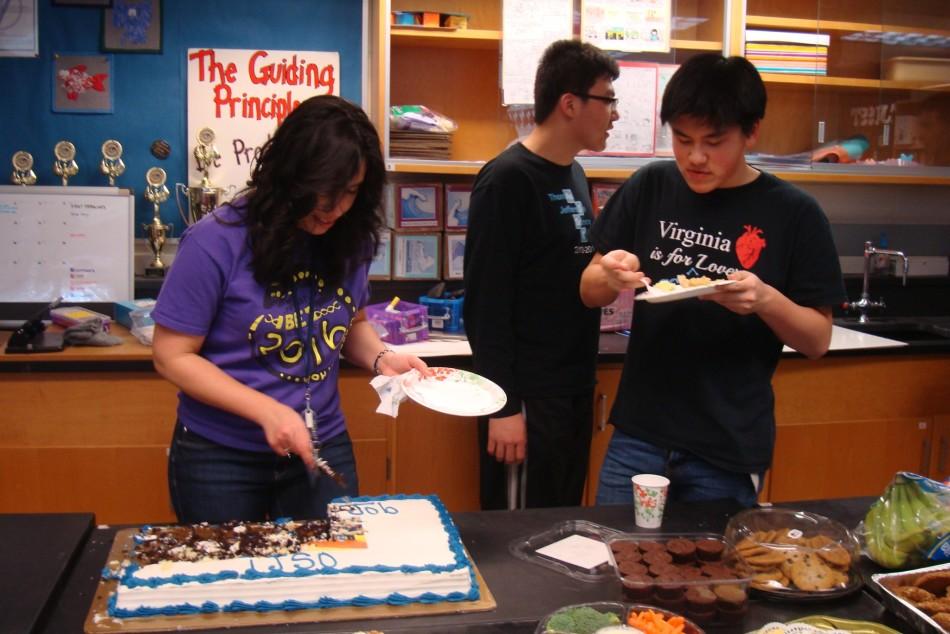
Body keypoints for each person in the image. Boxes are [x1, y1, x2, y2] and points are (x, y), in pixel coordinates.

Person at [579, 53, 846, 509]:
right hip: (640, 434)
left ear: (751, 131)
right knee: (617, 562)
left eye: (713, 141)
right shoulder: (651, 186)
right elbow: (588, 290)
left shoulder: (794, 213)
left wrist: (765, 300)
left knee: (712, 574)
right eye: (682, 140)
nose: (695, 157)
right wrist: (608, 275)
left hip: (726, 446)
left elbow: (817, 339)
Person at [151, 95, 430, 523]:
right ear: (289, 176)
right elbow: (171, 356)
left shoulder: (349, 236)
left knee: (331, 577)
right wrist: (267, 410)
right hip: (221, 457)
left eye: (351, 192)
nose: (335, 209)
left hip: (321, 444)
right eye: (324, 192)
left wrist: (381, 357)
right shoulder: (215, 240)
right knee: (231, 583)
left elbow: (350, 321)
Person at [463, 39, 620, 510]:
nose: (614, 114)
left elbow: (568, 273)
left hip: (570, 391)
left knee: (559, 531)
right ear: (570, 104)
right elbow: (485, 306)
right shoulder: (507, 180)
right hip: (525, 400)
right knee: (518, 543)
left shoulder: (574, 174)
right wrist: (505, 407)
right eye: (607, 100)